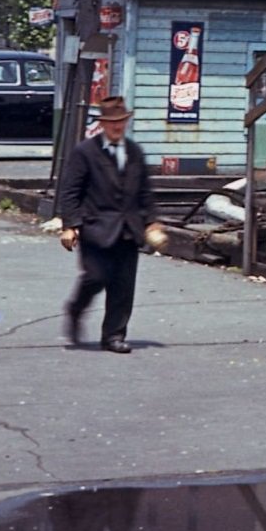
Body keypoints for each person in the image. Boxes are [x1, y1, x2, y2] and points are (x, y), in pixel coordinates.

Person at [59, 96, 166, 354]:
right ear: (103, 124)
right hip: (96, 228)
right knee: (96, 277)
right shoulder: (84, 152)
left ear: (126, 122)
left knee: (123, 285)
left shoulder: (135, 152)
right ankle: (76, 309)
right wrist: (70, 225)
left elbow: (145, 192)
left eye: (121, 122)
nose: (117, 127)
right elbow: (71, 192)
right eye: (112, 123)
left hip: (129, 230)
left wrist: (151, 221)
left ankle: (114, 336)